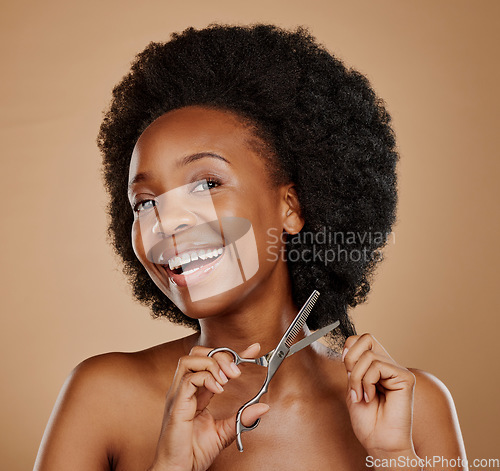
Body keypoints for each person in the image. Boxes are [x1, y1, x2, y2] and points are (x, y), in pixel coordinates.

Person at [34, 24, 467, 471]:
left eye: (206, 184)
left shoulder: (410, 405)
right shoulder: (104, 398)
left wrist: (398, 458)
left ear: (291, 206)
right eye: (145, 203)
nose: (167, 222)